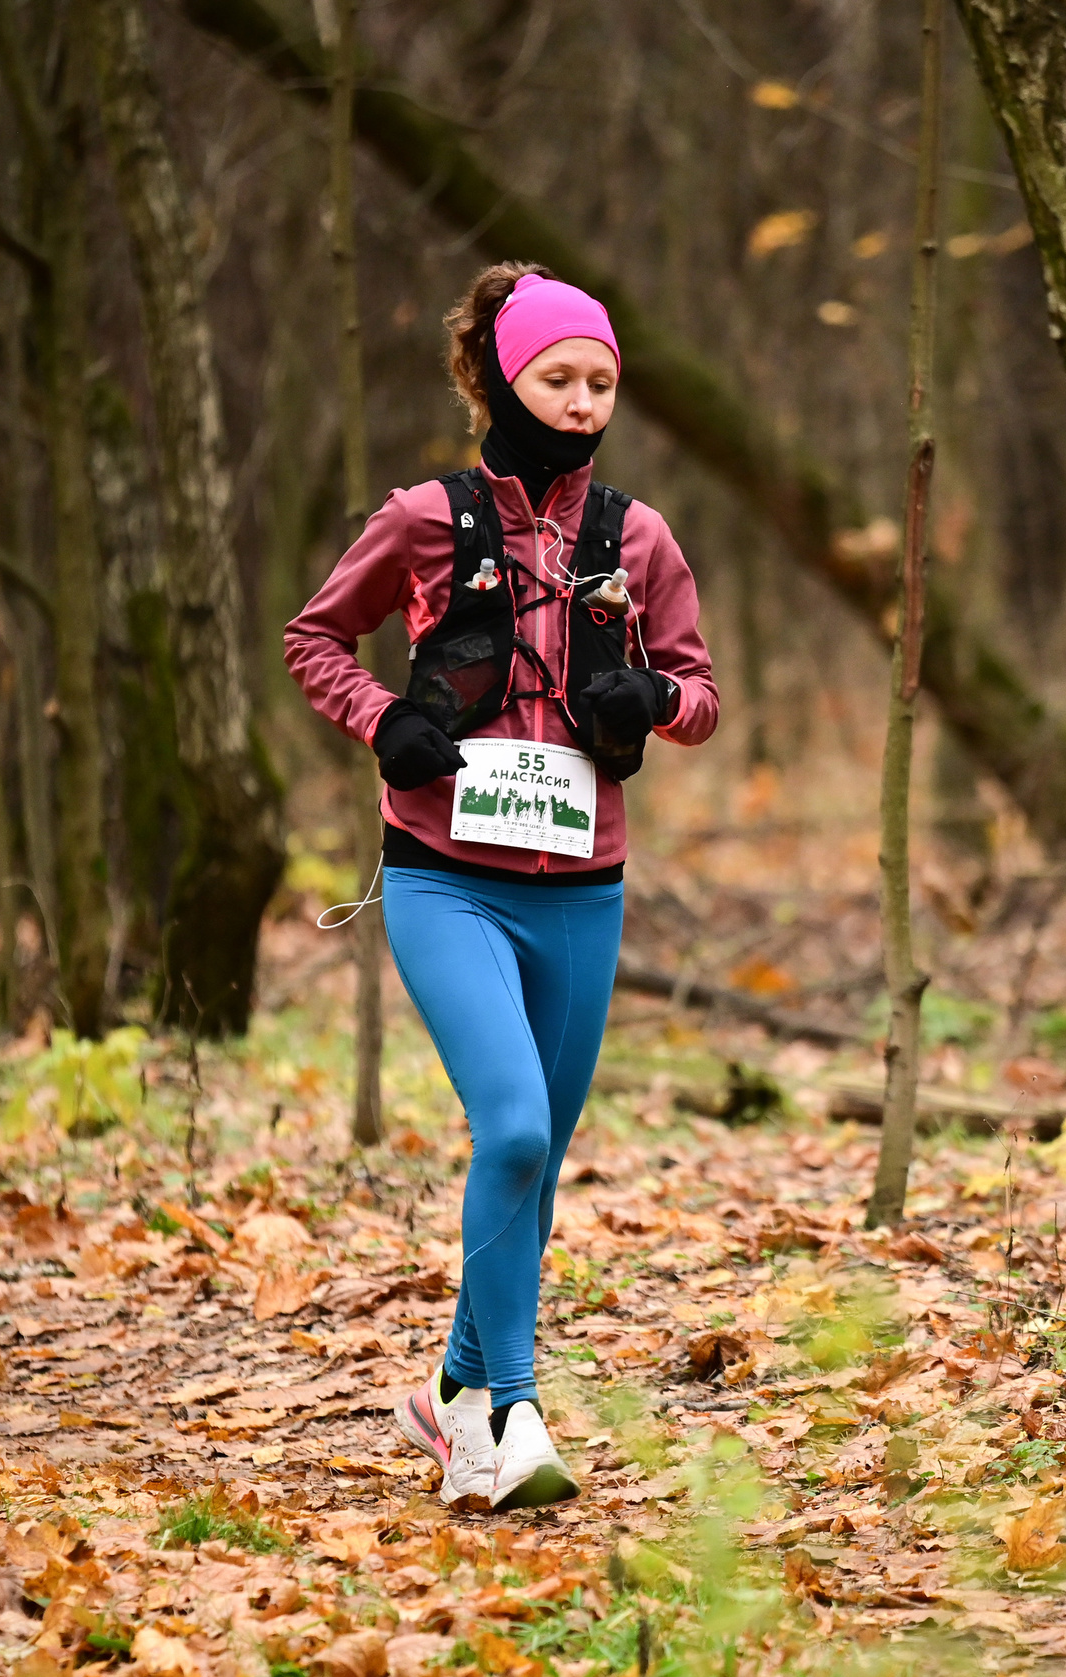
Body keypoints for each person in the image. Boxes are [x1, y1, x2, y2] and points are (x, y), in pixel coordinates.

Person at [285, 264, 718, 1510]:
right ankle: (514, 1413)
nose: (583, 403)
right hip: (440, 878)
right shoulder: (426, 518)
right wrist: (381, 720)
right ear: (503, 379)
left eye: (601, 384)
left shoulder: (637, 537)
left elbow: (700, 694)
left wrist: (651, 698)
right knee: (514, 1127)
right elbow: (313, 637)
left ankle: (450, 1399)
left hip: (583, 885)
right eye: (559, 379)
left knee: (536, 1158)